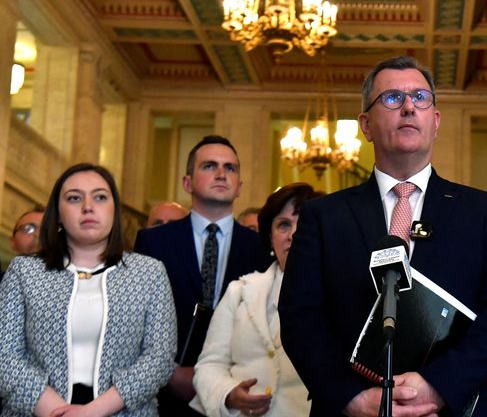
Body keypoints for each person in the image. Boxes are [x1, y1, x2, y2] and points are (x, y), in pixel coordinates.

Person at [279, 56, 487, 416]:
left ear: (436, 120)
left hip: (454, 407)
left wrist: (438, 386)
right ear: (366, 124)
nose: (409, 107)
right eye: (393, 98)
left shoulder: (482, 212)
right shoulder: (323, 216)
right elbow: (300, 317)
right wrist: (349, 396)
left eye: (421, 97)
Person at [0, 163, 176, 416]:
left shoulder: (149, 273)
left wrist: (92, 412)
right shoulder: (24, 271)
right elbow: (5, 357)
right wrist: (58, 412)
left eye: (100, 197)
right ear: (57, 214)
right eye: (74, 198)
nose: (88, 206)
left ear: (114, 210)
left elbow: (159, 358)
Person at [134, 135, 272, 415]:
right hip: (164, 393)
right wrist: (169, 373)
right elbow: (135, 319)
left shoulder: (261, 247)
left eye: (230, 168)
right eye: (209, 166)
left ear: (239, 187)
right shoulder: (153, 242)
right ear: (187, 182)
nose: (221, 174)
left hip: (237, 391)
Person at [191, 183, 321, 417]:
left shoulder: (338, 292)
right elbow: (210, 365)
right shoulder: (239, 292)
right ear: (270, 238)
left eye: (303, 224)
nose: (293, 234)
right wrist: (228, 394)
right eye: (283, 225)